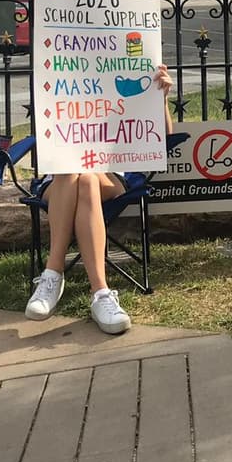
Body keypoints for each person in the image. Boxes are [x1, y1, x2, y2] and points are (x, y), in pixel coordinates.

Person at [24, 63, 173, 333]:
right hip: (61, 179)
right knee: (77, 172)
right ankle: (100, 292)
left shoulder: (123, 73)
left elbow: (162, 139)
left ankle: (52, 275)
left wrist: (160, 97)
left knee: (89, 176)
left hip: (110, 174)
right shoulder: (62, 78)